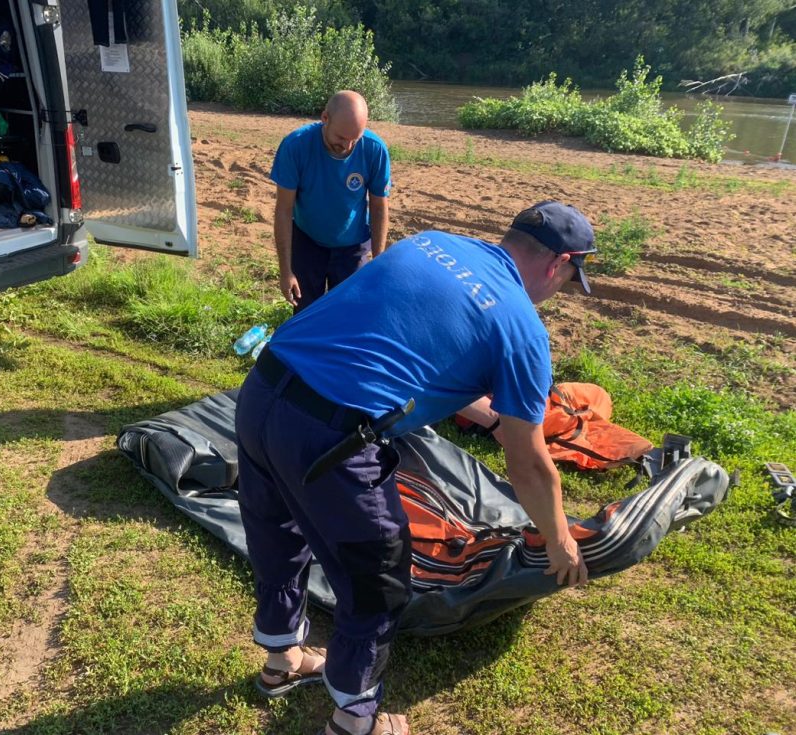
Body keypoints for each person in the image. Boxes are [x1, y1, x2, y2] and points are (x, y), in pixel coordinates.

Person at [235, 200, 598, 735]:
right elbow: (528, 464)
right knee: (375, 580)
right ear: (559, 263)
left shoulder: (433, 243)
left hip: (264, 389)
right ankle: (354, 722)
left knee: (279, 532)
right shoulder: (521, 328)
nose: (560, 290)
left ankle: (281, 660)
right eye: (569, 279)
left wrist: (492, 418)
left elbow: (420, 348)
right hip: (330, 436)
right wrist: (560, 538)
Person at [270, 90, 391, 313]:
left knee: (348, 313)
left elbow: (378, 207)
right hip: (307, 240)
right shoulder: (295, 146)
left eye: (355, 139)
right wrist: (286, 271)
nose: (347, 146)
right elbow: (284, 210)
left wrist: (378, 261)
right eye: (341, 138)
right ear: (325, 118)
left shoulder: (375, 149)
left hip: (353, 245)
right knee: (306, 313)